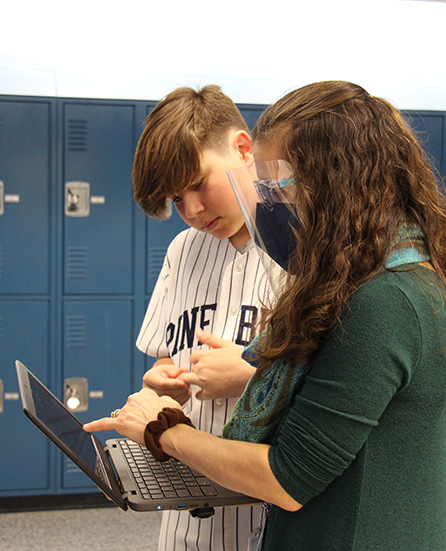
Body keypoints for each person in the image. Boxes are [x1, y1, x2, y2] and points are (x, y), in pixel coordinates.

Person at [87, 80, 446, 551]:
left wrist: (166, 429)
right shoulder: (360, 278)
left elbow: (290, 476)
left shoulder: (384, 300)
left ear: (335, 181)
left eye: (279, 186)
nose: (273, 205)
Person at [131, 85, 276, 551]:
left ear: (242, 148)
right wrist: (160, 380)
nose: (191, 210)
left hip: (268, 514)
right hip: (186, 509)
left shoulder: (303, 249)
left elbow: (335, 385)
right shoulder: (182, 250)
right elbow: (160, 362)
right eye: (177, 199)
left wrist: (253, 373)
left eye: (198, 183)